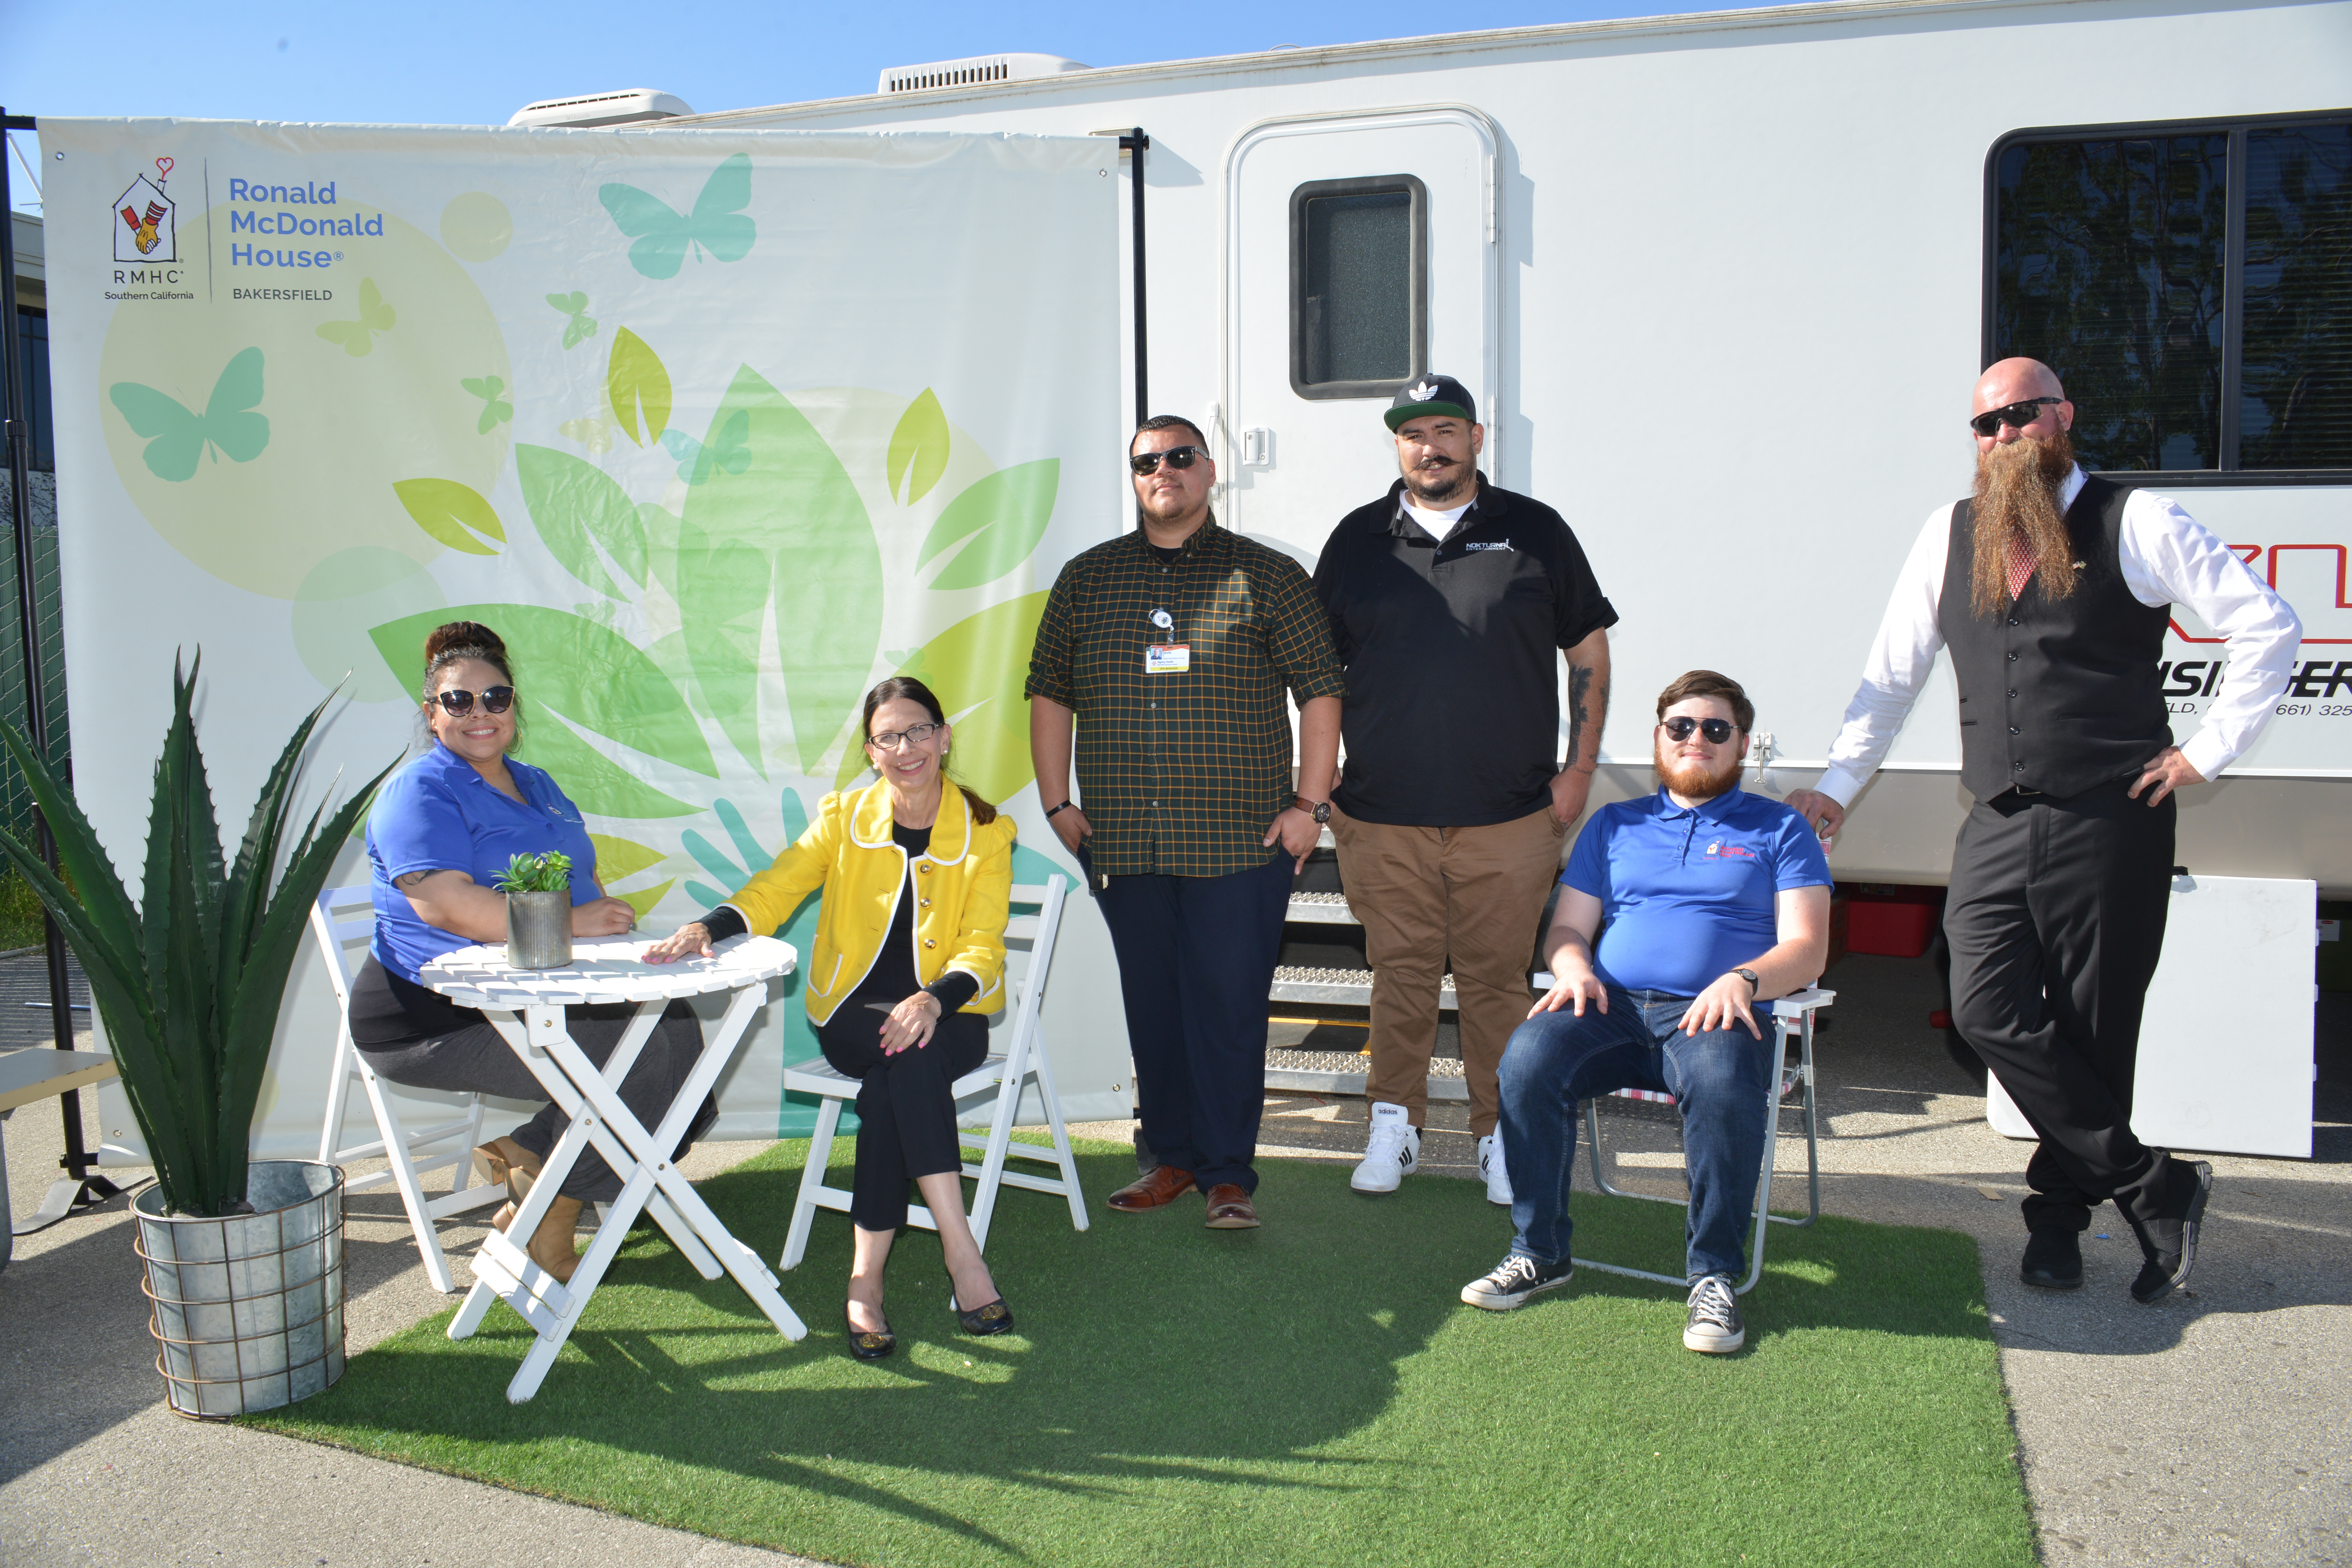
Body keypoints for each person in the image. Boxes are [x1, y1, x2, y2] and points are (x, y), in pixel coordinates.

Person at [1783, 358, 2301, 1304]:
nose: (2003, 436)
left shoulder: (2132, 519)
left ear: (2062, 416)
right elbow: (1890, 677)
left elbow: (2267, 624)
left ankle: (2059, 1224)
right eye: (1985, 424)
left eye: (2020, 415)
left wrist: (2206, 753)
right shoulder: (1950, 533)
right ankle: (2156, 1185)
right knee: (1983, 1009)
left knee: (2096, 1032)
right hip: (1997, 817)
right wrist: (1836, 785)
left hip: (2114, 817)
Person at [1027, 415, 1346, 1231]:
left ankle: (1229, 1175)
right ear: (1134, 479)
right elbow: (1049, 691)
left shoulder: (1269, 576)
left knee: (1229, 1006)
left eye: (1179, 457)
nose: (1162, 470)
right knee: (1155, 1005)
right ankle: (1167, 1159)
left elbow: (1320, 691)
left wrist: (1311, 805)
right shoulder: (1087, 578)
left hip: (1241, 840)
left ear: (1209, 471)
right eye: (1146, 462)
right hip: (1124, 840)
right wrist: (1056, 801)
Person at [644, 677, 1016, 1360]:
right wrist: (711, 925)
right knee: (900, 1056)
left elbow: (983, 944)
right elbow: (781, 883)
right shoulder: (846, 814)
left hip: (951, 1009)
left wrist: (934, 997)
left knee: (895, 1080)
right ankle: (964, 1257)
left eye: (919, 731)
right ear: (871, 751)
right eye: (887, 737)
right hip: (854, 1012)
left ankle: (865, 1280)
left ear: (945, 736)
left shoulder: (987, 831)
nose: (906, 749)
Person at [1313, 373, 1617, 1204]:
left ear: (1476, 439)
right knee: (1400, 975)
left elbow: (1587, 651)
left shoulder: (1535, 531)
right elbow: (1316, 673)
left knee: (1495, 982)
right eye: (1414, 433)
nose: (1430, 445)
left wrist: (1580, 770)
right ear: (1398, 446)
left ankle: (1500, 1135)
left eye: (1446, 429)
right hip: (1381, 815)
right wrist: (1323, 784)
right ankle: (1394, 1126)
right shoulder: (1356, 542)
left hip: (1511, 813)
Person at [1462, 672, 1830, 1355]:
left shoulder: (1780, 828)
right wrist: (1572, 968)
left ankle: (1713, 1277)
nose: (1697, 739)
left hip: (1715, 1015)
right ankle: (1539, 1251)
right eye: (1681, 727)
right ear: (1659, 740)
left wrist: (1744, 980)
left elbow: (1808, 948)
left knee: (1722, 1088)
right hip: (1614, 1007)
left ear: (1742, 745)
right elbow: (1569, 930)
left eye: (1716, 729)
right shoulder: (1614, 824)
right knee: (1528, 1057)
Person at [350, 621, 709, 1283]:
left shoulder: (538, 784)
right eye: (459, 701)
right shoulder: (418, 792)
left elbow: (581, 882)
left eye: (496, 698)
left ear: (514, 709)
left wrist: (611, 939)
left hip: (540, 992)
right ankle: (551, 1205)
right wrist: (577, 923)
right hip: (434, 1017)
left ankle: (535, 1160)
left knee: (682, 1041)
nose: (479, 713)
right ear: (432, 715)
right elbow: (446, 904)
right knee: (638, 1066)